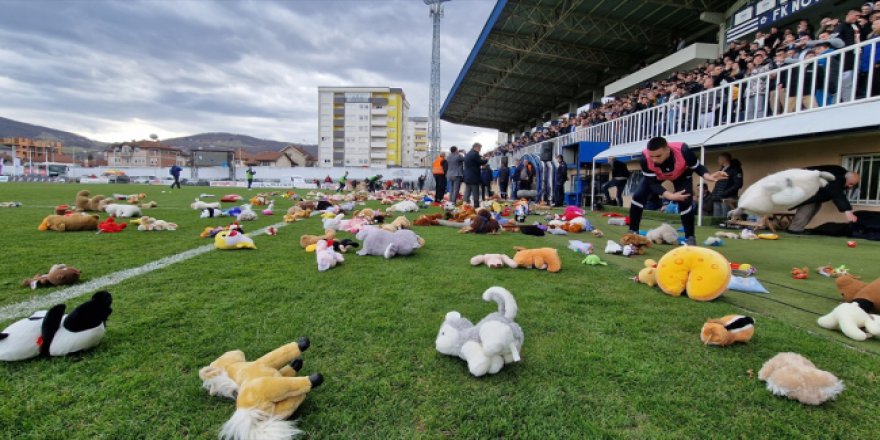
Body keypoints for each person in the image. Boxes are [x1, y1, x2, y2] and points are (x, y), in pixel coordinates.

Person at [628, 137, 728, 246]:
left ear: (667, 150)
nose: (655, 160)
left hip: (681, 174)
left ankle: (690, 237)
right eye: (652, 156)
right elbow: (652, 184)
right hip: (657, 176)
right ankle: (633, 231)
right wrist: (670, 196)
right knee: (638, 196)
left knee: (685, 201)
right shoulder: (645, 158)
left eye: (658, 156)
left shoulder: (684, 150)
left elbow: (698, 167)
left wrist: (708, 176)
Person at [787, 165, 861, 234]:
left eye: (853, 185)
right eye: (850, 184)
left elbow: (835, 191)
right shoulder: (836, 176)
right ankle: (794, 229)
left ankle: (798, 227)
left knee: (815, 206)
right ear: (846, 178)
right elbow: (837, 193)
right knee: (808, 206)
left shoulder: (841, 175)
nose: (850, 187)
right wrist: (847, 210)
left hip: (812, 190)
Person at [710, 153, 743, 218]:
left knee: (726, 218)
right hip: (717, 197)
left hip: (728, 198)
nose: (718, 161)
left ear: (724, 159)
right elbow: (718, 182)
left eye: (719, 159)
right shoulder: (721, 169)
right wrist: (714, 194)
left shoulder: (735, 169)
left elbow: (738, 184)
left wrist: (725, 193)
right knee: (717, 219)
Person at [463, 143, 488, 207]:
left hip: (467, 175)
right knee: (475, 191)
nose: (480, 150)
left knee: (467, 191)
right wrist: (486, 159)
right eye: (480, 148)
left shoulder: (468, 154)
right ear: (476, 147)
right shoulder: (475, 154)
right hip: (474, 176)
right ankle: (476, 205)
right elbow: (481, 162)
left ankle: (464, 204)